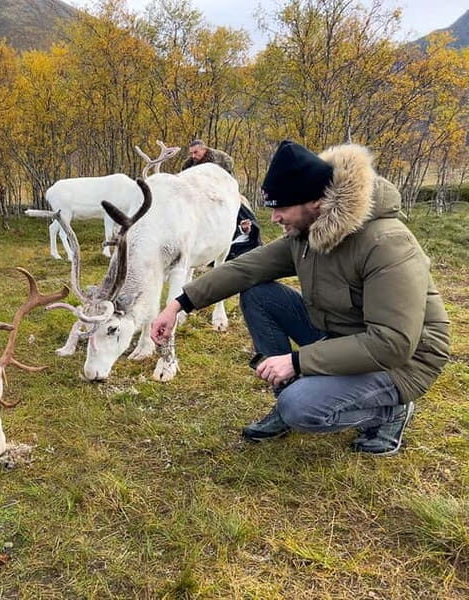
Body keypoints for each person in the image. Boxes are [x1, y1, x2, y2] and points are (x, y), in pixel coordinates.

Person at [151, 140, 450, 456]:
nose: (275, 218)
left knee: (300, 408)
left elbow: (393, 343)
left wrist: (296, 361)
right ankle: (289, 394)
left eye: (282, 207)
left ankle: (389, 411)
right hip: (343, 336)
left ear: (316, 203)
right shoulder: (306, 233)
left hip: (404, 361)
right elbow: (246, 269)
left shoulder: (386, 243)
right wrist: (179, 304)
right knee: (258, 293)